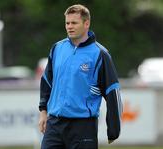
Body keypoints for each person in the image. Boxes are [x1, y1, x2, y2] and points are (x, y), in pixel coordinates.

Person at [38, 4, 123, 149]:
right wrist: (43, 111)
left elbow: (112, 91)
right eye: (67, 23)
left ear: (86, 24)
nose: (69, 26)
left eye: (74, 23)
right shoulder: (57, 48)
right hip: (54, 125)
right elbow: (46, 81)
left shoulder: (100, 54)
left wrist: (113, 129)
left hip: (83, 126)